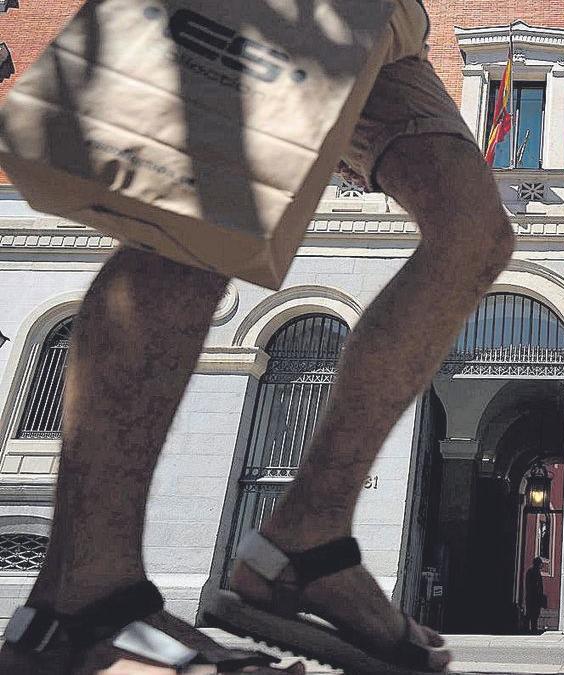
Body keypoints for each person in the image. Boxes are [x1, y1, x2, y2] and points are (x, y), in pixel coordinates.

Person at [0, 0, 514, 672]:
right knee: (198, 209)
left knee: (474, 235)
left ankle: (306, 537)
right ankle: (85, 603)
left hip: (394, 22)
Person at [522, 558, 546, 635]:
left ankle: (532, 629)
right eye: (540, 563)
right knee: (530, 613)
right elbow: (532, 586)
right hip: (533, 597)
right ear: (537, 564)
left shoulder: (535, 572)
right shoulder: (532, 572)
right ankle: (527, 628)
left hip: (534, 597)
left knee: (534, 614)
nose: (542, 565)